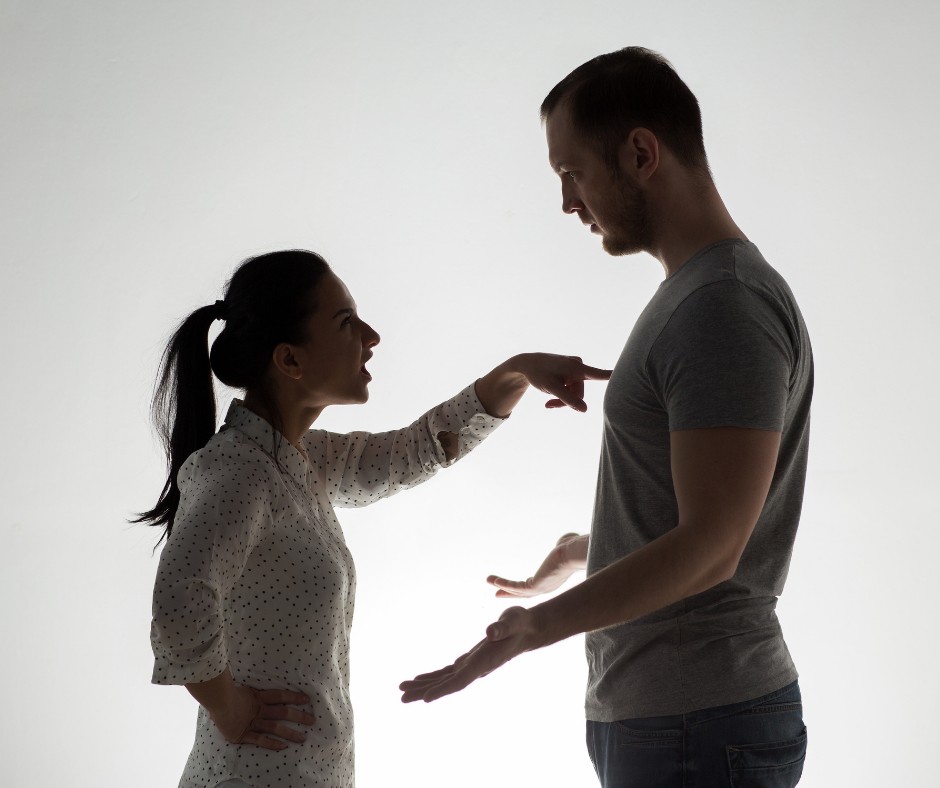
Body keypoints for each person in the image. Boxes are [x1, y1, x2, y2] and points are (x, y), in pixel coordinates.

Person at [400, 47, 813, 787]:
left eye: (572, 173)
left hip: (699, 723)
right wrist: (588, 547)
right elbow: (702, 513)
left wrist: (537, 627)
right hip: (675, 720)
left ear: (641, 152)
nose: (567, 202)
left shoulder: (722, 306)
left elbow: (716, 547)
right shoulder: (695, 295)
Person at [139, 249, 610, 788]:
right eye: (345, 322)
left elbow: (412, 451)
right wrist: (230, 708)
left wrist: (519, 370)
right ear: (289, 361)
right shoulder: (238, 471)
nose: (371, 336)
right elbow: (179, 599)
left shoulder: (298, 460)